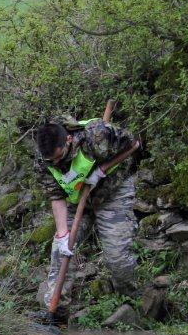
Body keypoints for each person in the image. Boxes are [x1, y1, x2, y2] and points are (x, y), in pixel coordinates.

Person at [34, 117, 139, 318]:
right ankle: (57, 313)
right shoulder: (43, 160)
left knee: (117, 257)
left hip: (112, 193)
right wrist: (63, 235)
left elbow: (134, 144)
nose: (56, 163)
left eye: (59, 157)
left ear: (69, 141)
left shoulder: (96, 136)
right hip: (77, 200)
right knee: (60, 251)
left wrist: (102, 169)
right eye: (51, 161)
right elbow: (56, 196)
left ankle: (131, 303)